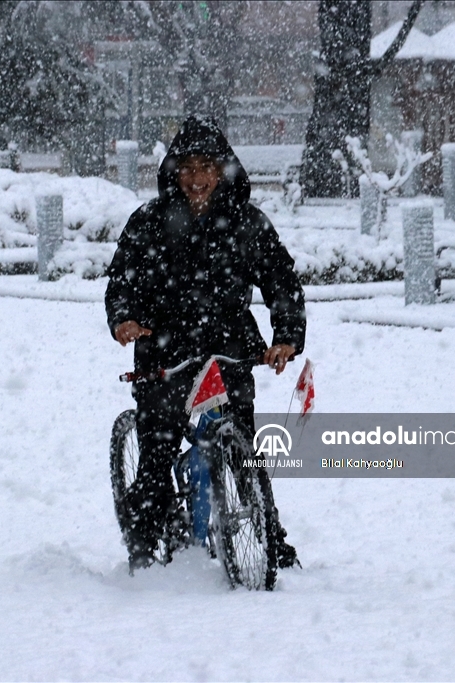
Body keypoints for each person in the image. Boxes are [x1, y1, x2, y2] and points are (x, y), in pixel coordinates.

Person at [105, 115, 306, 571]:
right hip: (164, 351)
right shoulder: (149, 222)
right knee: (157, 456)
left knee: (246, 451)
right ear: (174, 171)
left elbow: (281, 281)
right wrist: (124, 321)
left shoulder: (247, 223)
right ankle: (143, 544)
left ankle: (269, 536)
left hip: (228, 347)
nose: (197, 179)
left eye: (207, 167)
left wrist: (287, 338)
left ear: (223, 171)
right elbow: (121, 281)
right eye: (188, 167)